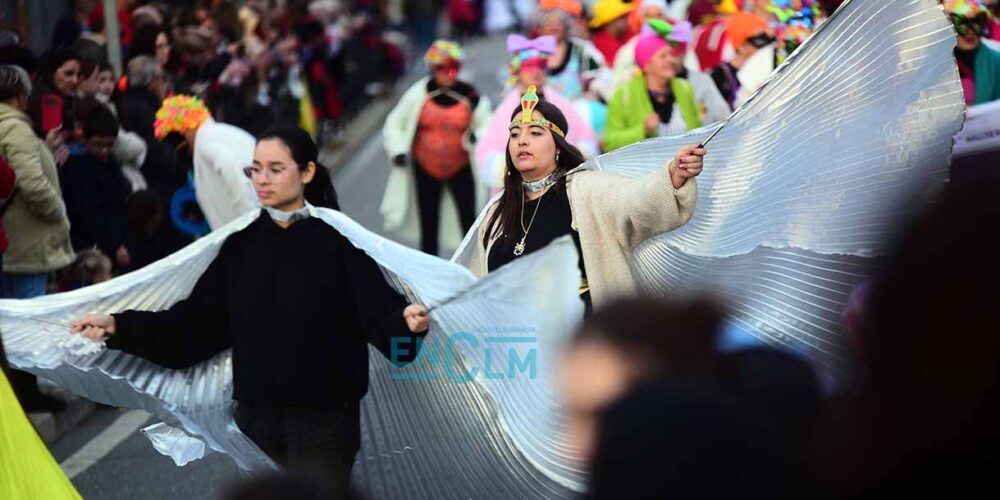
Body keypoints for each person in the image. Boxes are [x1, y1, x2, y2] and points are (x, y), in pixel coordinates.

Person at [70, 126, 430, 497]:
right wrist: (117, 325)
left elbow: (385, 320)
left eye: (275, 169)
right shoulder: (239, 247)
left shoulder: (340, 243)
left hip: (325, 422)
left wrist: (408, 326)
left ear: (306, 172)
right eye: (255, 169)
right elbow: (192, 328)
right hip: (257, 422)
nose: (262, 179)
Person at [458, 86, 703, 312]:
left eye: (535, 132)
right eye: (514, 134)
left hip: (579, 343)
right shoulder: (497, 212)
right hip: (514, 348)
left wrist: (673, 174)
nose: (522, 140)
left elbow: (637, 202)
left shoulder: (585, 189)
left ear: (557, 147)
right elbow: (468, 288)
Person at [0, 64, 75, 412]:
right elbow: (27, 181)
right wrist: (57, 209)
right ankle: (26, 394)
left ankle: (21, 393)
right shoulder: (13, 126)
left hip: (15, 237)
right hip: (26, 239)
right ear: (19, 95)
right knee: (25, 322)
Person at [381, 41, 492, 256]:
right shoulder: (418, 94)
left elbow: (487, 124)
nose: (449, 74)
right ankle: (430, 273)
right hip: (425, 167)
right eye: (442, 68)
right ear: (432, 69)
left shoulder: (470, 95)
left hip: (460, 166)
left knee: (469, 220)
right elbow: (396, 122)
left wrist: (474, 136)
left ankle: (473, 265)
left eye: (454, 68)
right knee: (428, 224)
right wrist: (398, 150)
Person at [476, 36, 599, 196]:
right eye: (529, 66)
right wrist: (508, 169)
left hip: (561, 184)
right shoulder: (506, 109)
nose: (535, 72)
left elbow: (585, 137)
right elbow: (486, 151)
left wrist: (571, 160)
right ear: (517, 71)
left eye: (540, 66)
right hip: (520, 189)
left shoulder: (560, 102)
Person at [153, 94, 259, 230]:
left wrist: (250, 220)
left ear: (185, 129)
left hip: (249, 230)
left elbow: (232, 168)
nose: (176, 146)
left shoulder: (206, 141)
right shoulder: (224, 132)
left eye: (174, 138)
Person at [604, 23, 710, 151]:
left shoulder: (684, 88)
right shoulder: (624, 94)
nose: (671, 60)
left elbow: (696, 129)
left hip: (685, 168)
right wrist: (643, 130)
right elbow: (609, 142)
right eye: (663, 56)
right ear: (646, 64)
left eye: (671, 54)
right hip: (645, 169)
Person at [60, 105, 132, 271]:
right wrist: (116, 245)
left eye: (109, 145)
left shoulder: (110, 162)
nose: (104, 150)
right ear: (85, 139)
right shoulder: (78, 167)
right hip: (91, 248)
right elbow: (90, 213)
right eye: (98, 145)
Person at [946, 0, 1000, 105]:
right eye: (961, 23)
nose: (970, 31)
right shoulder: (936, 63)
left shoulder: (996, 60)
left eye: (977, 22)